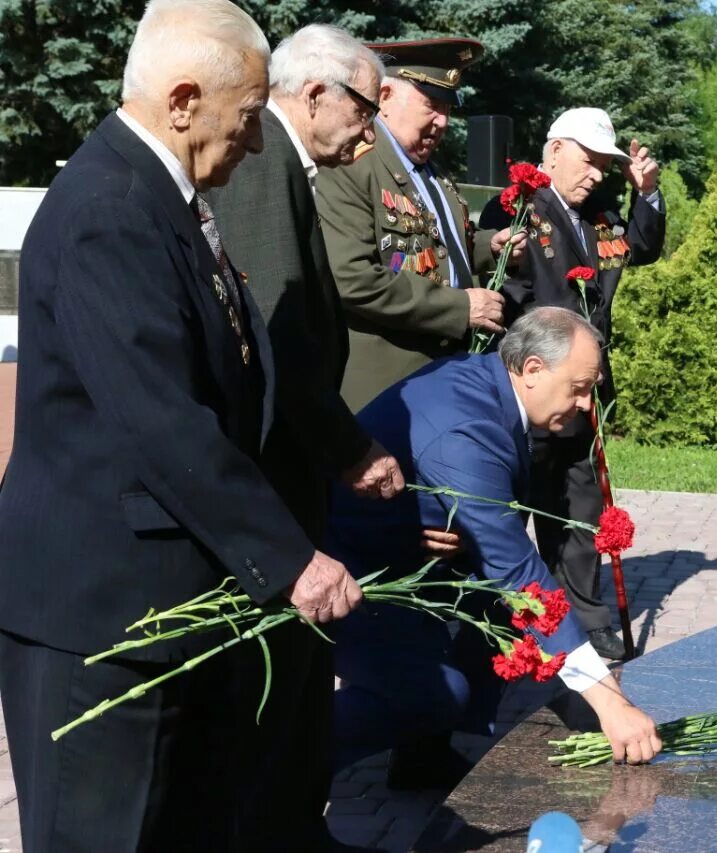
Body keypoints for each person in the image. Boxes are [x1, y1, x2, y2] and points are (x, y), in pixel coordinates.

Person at [0, 2, 364, 851]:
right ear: (184, 100)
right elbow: (161, 420)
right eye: (245, 119)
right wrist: (289, 561)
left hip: (162, 607)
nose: (255, 142)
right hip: (100, 621)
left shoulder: (162, 197)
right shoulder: (110, 207)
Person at [205, 24, 403, 851]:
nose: (370, 126)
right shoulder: (263, 164)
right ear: (315, 92)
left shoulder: (286, 160)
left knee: (293, 681)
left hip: (286, 463)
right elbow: (276, 332)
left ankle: (295, 824)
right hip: (271, 466)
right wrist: (348, 447)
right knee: (276, 680)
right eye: (365, 105)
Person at [328, 307, 663, 783]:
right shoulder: (465, 435)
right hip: (346, 566)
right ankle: (284, 767)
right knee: (431, 691)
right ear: (532, 369)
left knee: (500, 620)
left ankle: (424, 760)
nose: (589, 404)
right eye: (580, 387)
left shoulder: (487, 379)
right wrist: (609, 700)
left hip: (403, 549)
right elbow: (519, 572)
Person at [479, 107, 665, 659]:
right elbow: (506, 283)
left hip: (583, 392)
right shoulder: (516, 206)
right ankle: (521, 614)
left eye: (605, 166)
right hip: (532, 389)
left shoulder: (602, 214)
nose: (595, 175)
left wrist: (646, 194)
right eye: (588, 161)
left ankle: (587, 615)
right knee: (517, 502)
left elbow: (643, 247)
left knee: (580, 507)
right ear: (555, 149)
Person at [316, 38, 525, 410]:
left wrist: (489, 246)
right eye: (431, 104)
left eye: (447, 108)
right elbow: (352, 279)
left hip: (445, 375)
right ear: (385, 96)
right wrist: (460, 309)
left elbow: (436, 244)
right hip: (389, 387)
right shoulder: (352, 164)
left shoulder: (432, 171)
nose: (442, 121)